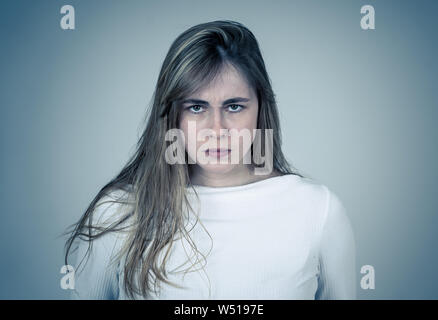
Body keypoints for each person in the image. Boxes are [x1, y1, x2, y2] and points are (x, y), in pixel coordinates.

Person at [63, 20, 356, 300]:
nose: (217, 130)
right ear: (172, 116)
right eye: (196, 107)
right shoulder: (117, 212)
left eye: (234, 106)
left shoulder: (318, 210)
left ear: (260, 109)